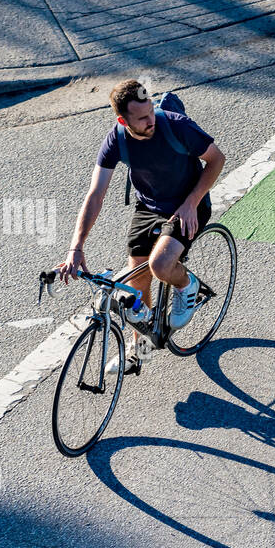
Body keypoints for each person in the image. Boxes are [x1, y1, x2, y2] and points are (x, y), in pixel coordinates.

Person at [58, 79, 226, 373]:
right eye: (143, 118)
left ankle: (188, 285)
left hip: (188, 203)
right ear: (123, 121)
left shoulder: (175, 125)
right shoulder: (117, 140)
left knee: (160, 265)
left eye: (151, 112)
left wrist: (190, 203)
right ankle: (141, 350)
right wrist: (76, 246)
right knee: (136, 283)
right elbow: (95, 195)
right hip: (149, 206)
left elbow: (216, 159)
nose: (151, 121)